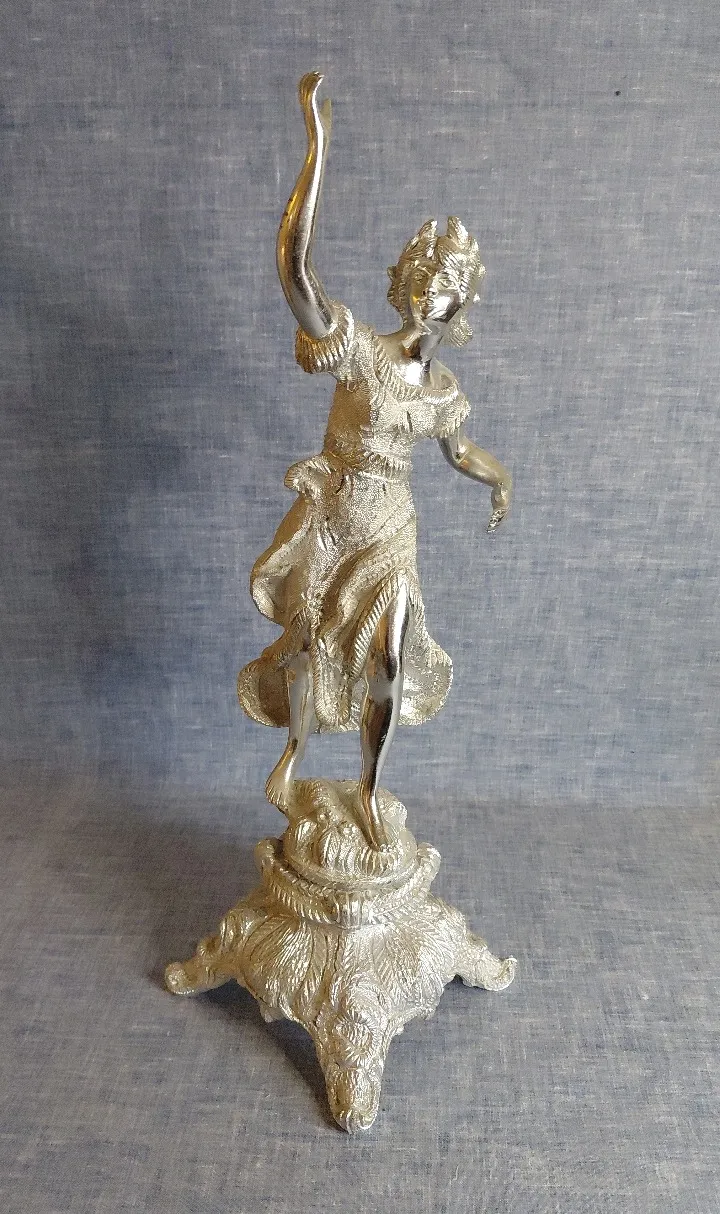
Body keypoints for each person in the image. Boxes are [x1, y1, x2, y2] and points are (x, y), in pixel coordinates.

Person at [237, 72, 512, 851]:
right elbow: (295, 270)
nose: (430, 292)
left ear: (460, 305)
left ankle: (366, 788)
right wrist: (317, 145)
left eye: (446, 285)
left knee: (388, 658)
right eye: (423, 277)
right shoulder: (358, 351)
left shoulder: (444, 391)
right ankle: (294, 757)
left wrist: (500, 479)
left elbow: (460, 450)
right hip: (332, 518)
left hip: (391, 527)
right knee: (307, 646)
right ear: (405, 285)